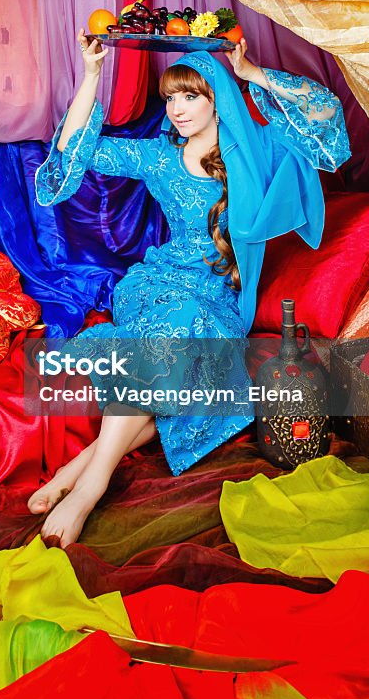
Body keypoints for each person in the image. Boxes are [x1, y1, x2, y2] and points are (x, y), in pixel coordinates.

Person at [29, 27, 350, 546]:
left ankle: (83, 469)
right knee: (170, 338)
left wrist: (252, 74)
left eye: (191, 96)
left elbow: (325, 118)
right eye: (171, 97)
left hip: (219, 297)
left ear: (217, 97)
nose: (177, 109)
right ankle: (92, 485)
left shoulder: (256, 150)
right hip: (157, 284)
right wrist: (91, 75)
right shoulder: (158, 157)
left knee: (178, 357)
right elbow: (75, 151)